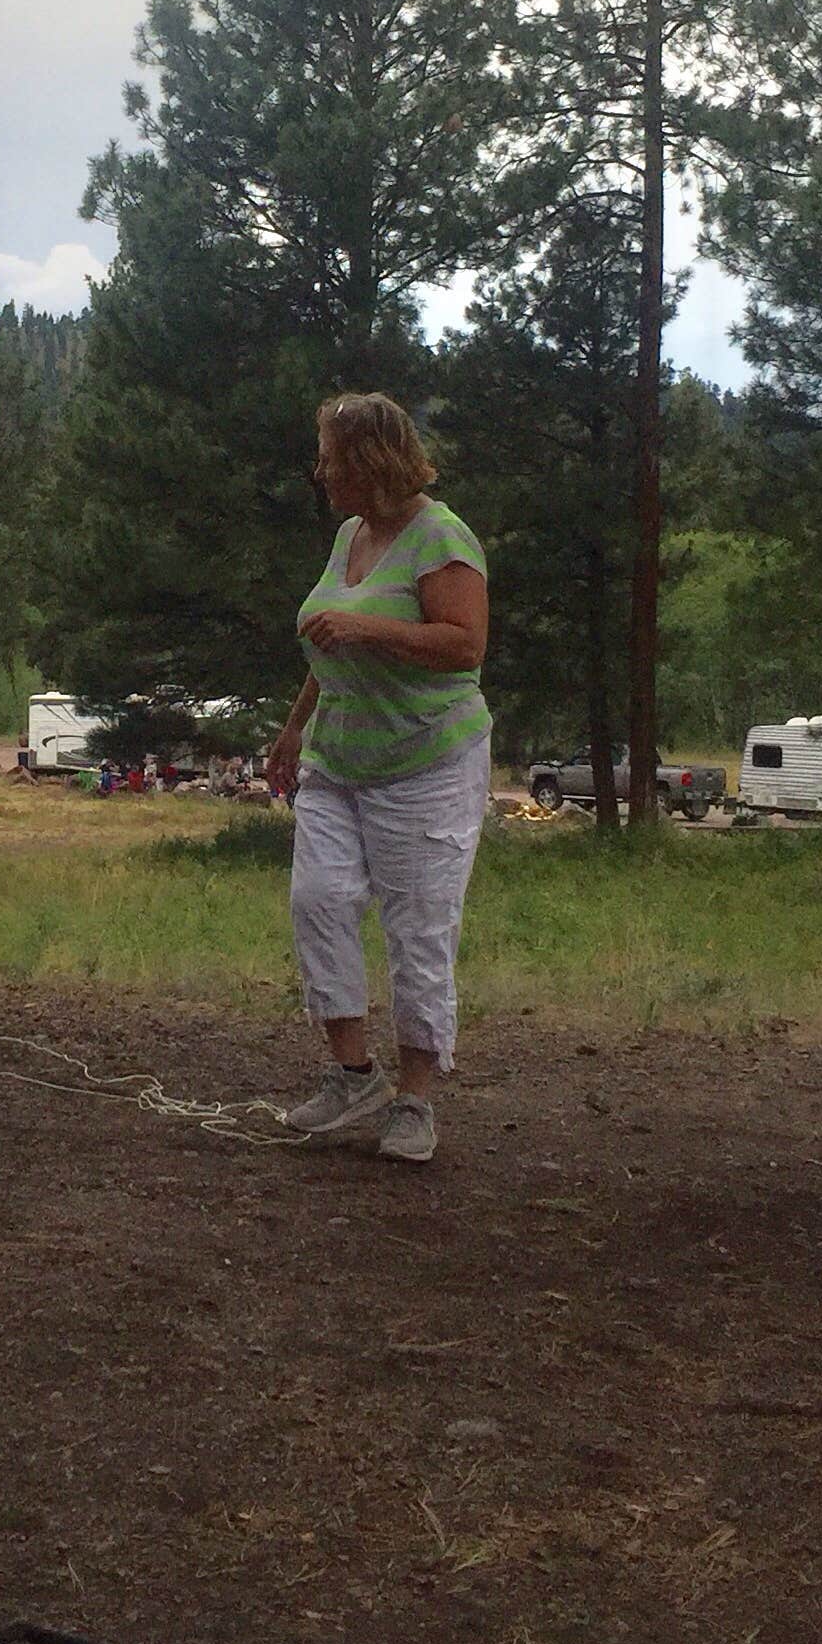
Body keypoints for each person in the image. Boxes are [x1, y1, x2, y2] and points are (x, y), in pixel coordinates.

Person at [264, 392, 493, 1167]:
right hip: (338, 758)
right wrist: (295, 727)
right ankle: (351, 1074)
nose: (320, 471)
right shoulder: (349, 535)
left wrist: (368, 627)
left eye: (329, 456)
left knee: (418, 929)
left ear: (368, 461)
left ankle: (416, 1100)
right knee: (318, 903)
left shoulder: (442, 536)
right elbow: (333, 645)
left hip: (428, 763)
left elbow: (464, 645)